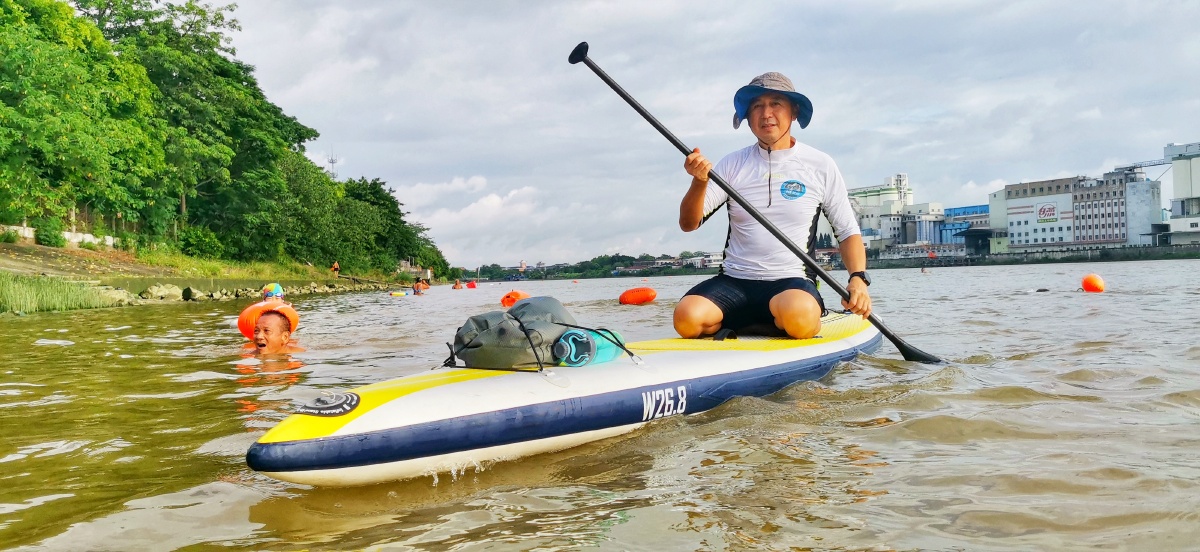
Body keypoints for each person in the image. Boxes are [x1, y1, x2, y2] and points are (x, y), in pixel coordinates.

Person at [674, 72, 872, 340]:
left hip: (790, 284)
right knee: (686, 319)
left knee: (799, 318)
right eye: (757, 106)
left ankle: (801, 319)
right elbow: (689, 223)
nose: (766, 113)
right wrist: (699, 182)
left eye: (776, 103)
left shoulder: (820, 164)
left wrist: (858, 279)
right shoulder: (733, 164)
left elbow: (847, 231)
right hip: (735, 281)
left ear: (794, 112)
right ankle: (761, 324)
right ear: (747, 118)